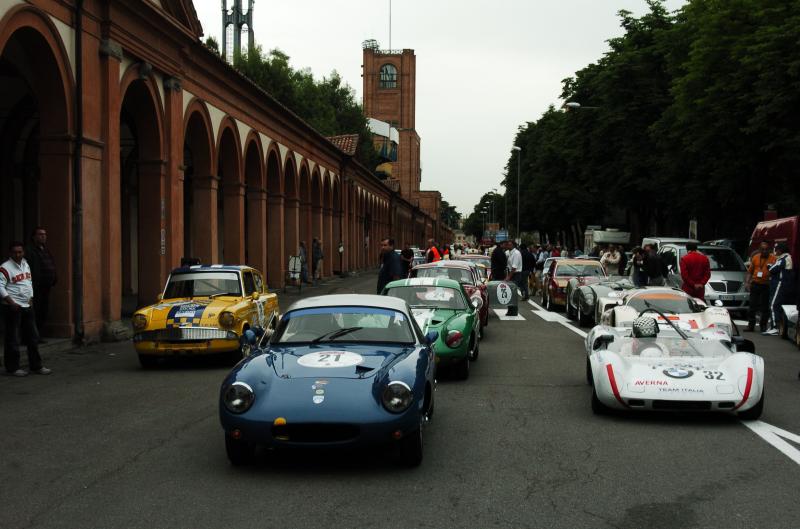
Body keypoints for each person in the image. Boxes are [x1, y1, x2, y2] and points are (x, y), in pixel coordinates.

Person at [1, 242, 51, 376]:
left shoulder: (25, 264)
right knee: (13, 339)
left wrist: (31, 298)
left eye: (20, 252)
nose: (18, 254)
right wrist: (11, 302)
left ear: (23, 252)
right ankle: (13, 368)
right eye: (15, 252)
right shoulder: (5, 268)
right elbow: (0, 287)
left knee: (33, 337)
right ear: (10, 253)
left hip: (27, 306)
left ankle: (36, 366)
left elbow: (28, 282)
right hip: (13, 307)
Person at [26, 226, 57, 341]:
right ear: (34, 237)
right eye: (40, 234)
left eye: (44, 234)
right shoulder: (30, 251)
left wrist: (54, 278)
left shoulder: (45, 249)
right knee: (35, 311)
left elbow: (50, 264)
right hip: (35, 287)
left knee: (43, 311)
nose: (43, 236)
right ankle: (31, 336)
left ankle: (38, 335)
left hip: (46, 286)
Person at [763, 242, 795, 336]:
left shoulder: (783, 258)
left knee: (773, 305)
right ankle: (775, 326)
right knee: (777, 305)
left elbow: (773, 269)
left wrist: (769, 266)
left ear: (781, 250)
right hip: (782, 284)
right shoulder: (786, 258)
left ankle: (775, 327)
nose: (775, 251)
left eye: (776, 249)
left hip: (780, 283)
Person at [745, 241, 775, 332]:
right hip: (755, 284)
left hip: (766, 285)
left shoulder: (773, 259)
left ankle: (763, 326)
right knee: (752, 306)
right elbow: (750, 271)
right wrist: (747, 282)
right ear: (759, 250)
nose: (765, 251)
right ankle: (751, 325)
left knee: (765, 307)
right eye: (763, 249)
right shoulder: (755, 257)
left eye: (766, 249)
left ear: (769, 250)